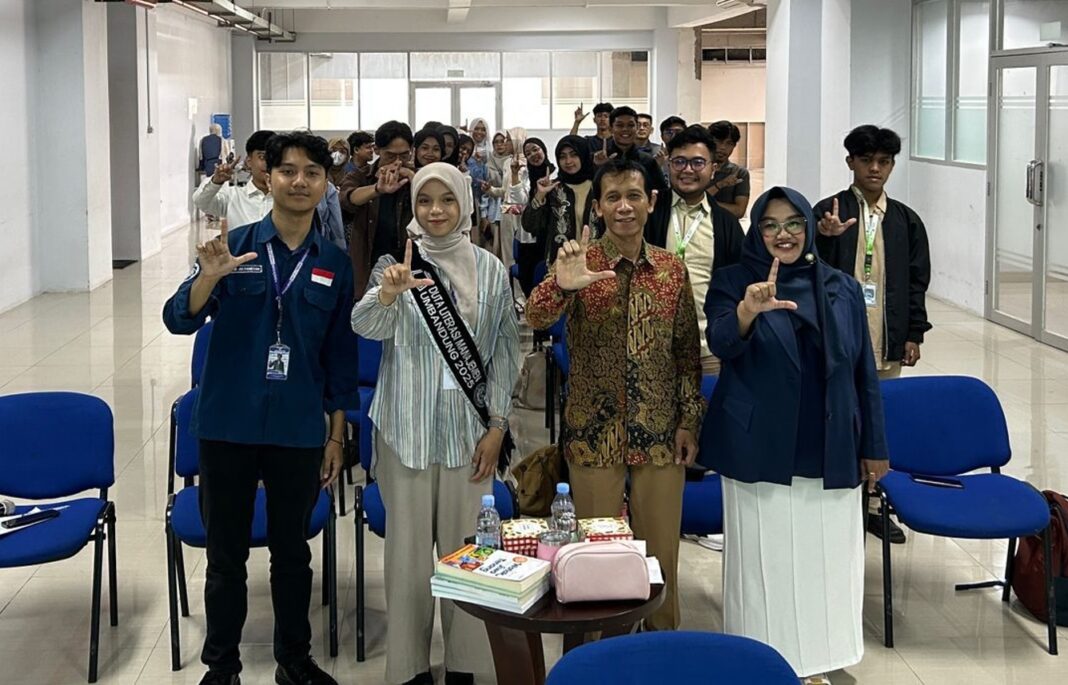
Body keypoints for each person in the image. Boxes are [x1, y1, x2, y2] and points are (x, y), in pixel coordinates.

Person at [163, 132, 360, 685]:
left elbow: (340, 358)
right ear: (267, 177)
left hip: (297, 427)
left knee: (292, 554)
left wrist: (336, 436)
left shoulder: (334, 262)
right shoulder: (234, 245)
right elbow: (178, 319)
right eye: (288, 171)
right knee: (225, 556)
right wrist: (209, 277)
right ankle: (221, 667)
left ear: (325, 184)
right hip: (228, 422)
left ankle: (293, 662)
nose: (299, 182)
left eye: (312, 173)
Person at [699, 186, 888, 684]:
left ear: (807, 226)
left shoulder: (840, 287)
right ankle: (763, 661)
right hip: (760, 444)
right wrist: (746, 312)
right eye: (770, 225)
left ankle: (820, 662)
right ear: (757, 230)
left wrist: (875, 446)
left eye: (793, 224)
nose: (782, 235)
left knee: (826, 559)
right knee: (766, 563)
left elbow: (863, 371)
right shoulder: (733, 280)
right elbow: (721, 343)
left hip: (830, 441)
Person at [351, 163, 520, 685]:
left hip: (470, 435)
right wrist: (387, 293)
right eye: (425, 201)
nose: (436, 211)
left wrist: (497, 426)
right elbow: (365, 325)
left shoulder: (490, 269)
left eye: (447, 200)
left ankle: (467, 664)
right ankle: (408, 669)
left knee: (469, 552)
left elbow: (505, 353)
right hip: (405, 429)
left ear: (464, 203)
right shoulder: (395, 264)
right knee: (407, 558)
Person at [526, 158, 704, 632]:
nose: (624, 207)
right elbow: (536, 317)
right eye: (613, 198)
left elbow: (686, 352)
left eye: (633, 196)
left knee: (660, 557)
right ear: (599, 208)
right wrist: (562, 285)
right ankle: (600, 652)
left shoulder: (671, 270)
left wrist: (689, 420)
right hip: (594, 433)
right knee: (596, 558)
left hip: (660, 432)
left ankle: (661, 646)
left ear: (651, 202)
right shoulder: (578, 262)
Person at [814, 125, 932, 544]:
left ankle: (876, 505)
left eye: (884, 162)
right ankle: (838, 500)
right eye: (866, 161)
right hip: (837, 338)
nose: (875, 169)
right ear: (851, 162)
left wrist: (913, 333)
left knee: (879, 419)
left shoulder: (904, 219)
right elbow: (808, 268)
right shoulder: (828, 211)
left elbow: (917, 281)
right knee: (837, 417)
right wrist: (825, 238)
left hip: (885, 336)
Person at [647, 125, 745, 375]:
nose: (688, 170)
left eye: (698, 162)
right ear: (669, 165)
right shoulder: (648, 213)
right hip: (651, 349)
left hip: (707, 350)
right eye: (679, 161)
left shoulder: (727, 225)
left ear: (713, 168)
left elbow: (738, 285)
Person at [339, 121, 416, 298]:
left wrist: (413, 177)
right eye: (390, 155)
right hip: (368, 263)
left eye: (404, 155)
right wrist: (377, 189)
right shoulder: (361, 175)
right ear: (377, 150)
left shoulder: (418, 176)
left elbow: (431, 197)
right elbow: (347, 198)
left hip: (408, 265)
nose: (398, 162)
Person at [521, 135, 596, 267]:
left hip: (595, 263)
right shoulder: (554, 188)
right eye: (562, 157)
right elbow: (530, 226)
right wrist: (540, 196)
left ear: (583, 155)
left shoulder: (598, 187)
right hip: (561, 264)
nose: (568, 161)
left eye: (574, 155)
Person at [193, 130, 276, 230]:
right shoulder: (233, 197)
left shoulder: (287, 199)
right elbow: (200, 201)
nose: (268, 163)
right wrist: (216, 181)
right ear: (249, 161)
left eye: (273, 157)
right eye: (262, 157)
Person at [593, 107, 670, 199]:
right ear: (611, 129)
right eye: (620, 125)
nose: (625, 129)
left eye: (630, 125)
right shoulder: (599, 158)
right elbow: (593, 194)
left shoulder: (648, 161)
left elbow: (662, 194)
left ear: (636, 128)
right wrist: (600, 167)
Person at [514, 138, 553, 294]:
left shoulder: (555, 173)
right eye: (528, 153)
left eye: (535, 149)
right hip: (529, 237)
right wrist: (514, 174)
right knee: (529, 282)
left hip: (551, 238)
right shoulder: (526, 176)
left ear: (543, 149)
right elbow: (519, 200)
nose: (533, 155)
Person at [707, 120, 752, 220]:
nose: (723, 147)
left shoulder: (739, 173)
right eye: (718, 141)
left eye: (729, 143)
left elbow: (739, 211)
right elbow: (690, 202)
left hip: (726, 227)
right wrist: (720, 185)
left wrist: (706, 203)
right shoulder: (698, 168)